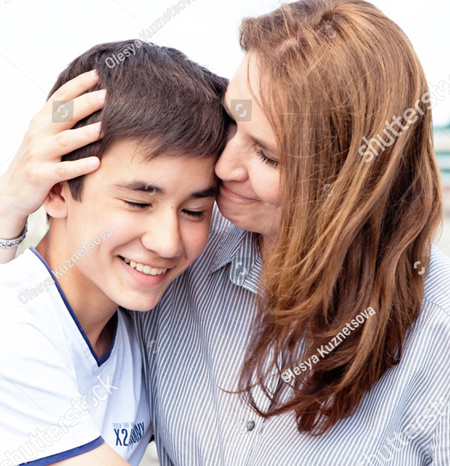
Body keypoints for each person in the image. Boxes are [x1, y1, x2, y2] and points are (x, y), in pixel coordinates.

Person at [1, 0, 450, 465]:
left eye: (268, 156)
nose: (223, 166)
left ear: (352, 182)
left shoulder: (437, 338)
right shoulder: (175, 260)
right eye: (231, 122)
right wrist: (8, 210)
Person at [0, 40, 228, 466]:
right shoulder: (13, 334)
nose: (168, 242)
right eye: (139, 203)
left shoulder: (134, 327)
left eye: (195, 211)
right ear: (55, 190)